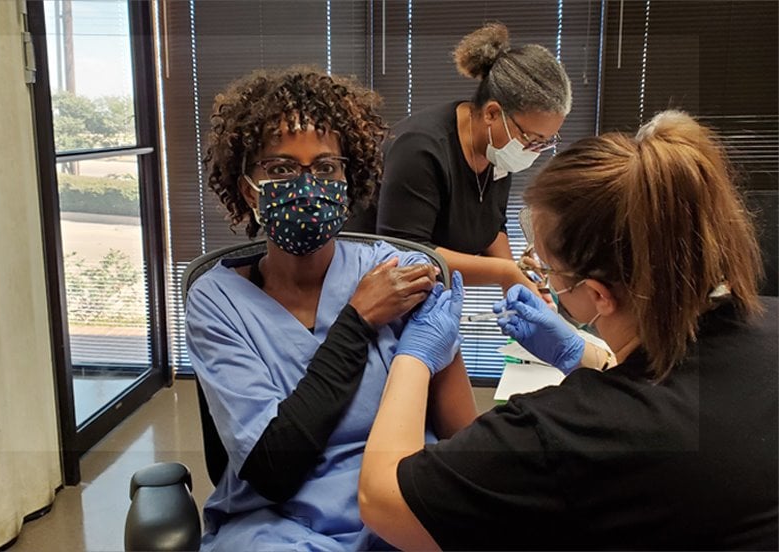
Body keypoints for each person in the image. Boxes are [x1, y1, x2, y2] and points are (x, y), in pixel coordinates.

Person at [358, 110, 778, 550]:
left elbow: (383, 499)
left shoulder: (572, 430)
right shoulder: (768, 322)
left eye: (550, 270)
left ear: (597, 295)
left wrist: (416, 355)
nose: (545, 280)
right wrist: (581, 352)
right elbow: (675, 385)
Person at [186, 67, 477, 551]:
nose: (306, 187)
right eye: (280, 169)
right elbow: (272, 469)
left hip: (401, 508)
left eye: (325, 168)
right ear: (247, 190)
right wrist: (358, 320)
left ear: (348, 177)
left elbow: (463, 438)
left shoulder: (400, 274)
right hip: (277, 526)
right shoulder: (218, 301)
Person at [347, 22, 571, 295]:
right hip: (371, 293)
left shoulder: (498, 150)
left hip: (428, 294)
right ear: (491, 114)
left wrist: (519, 282)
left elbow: (492, 225)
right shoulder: (420, 148)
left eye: (546, 141)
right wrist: (505, 273)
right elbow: (405, 251)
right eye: (531, 138)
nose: (535, 150)